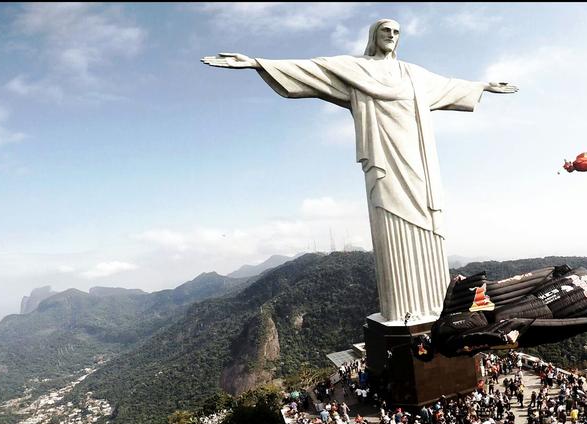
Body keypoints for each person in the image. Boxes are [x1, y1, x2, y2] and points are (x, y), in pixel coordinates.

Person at [202, 19, 517, 323]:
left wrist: (483, 86)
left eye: (396, 31)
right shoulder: (357, 68)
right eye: (385, 30)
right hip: (385, 158)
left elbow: (449, 85)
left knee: (426, 219)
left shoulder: (414, 75)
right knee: (390, 218)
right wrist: (256, 62)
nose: (391, 35)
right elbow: (313, 69)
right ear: (374, 36)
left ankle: (433, 307)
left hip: (420, 159)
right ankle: (403, 309)